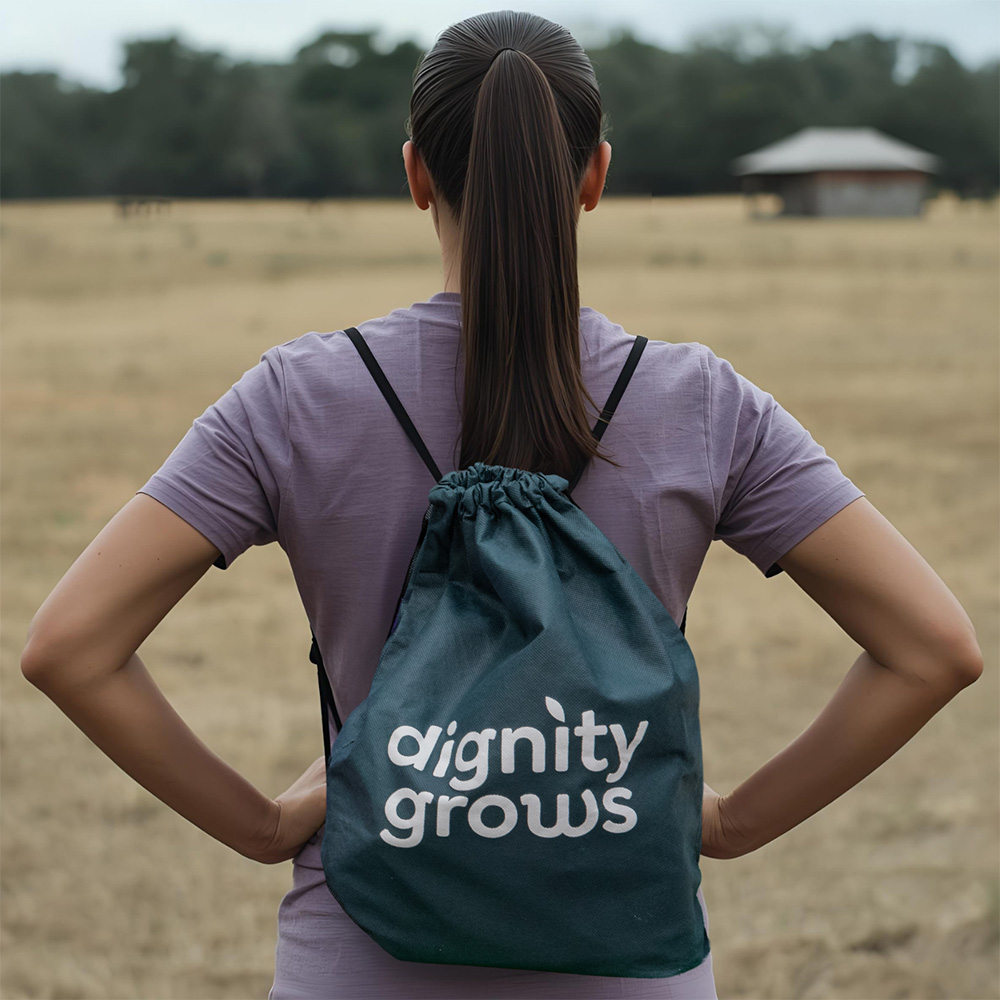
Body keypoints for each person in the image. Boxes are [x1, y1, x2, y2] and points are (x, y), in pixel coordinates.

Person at [20, 10, 983, 1000]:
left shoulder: (296, 397)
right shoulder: (701, 401)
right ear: (594, 176)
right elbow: (932, 649)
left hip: (359, 956)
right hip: (629, 955)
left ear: (416, 175)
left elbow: (70, 649)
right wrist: (729, 823)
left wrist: (262, 826)